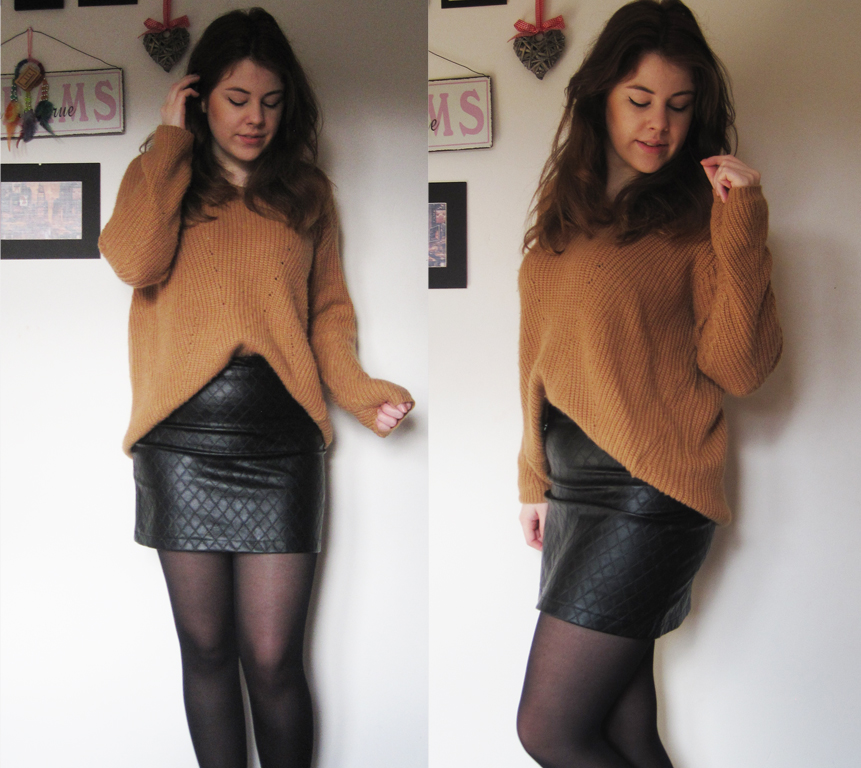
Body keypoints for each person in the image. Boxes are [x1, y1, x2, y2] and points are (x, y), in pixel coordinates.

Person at [99, 9, 412, 768]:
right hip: (180, 443)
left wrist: (361, 391)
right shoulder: (161, 177)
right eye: (237, 99)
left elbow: (327, 314)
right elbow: (134, 262)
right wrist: (169, 141)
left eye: (271, 102)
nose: (255, 119)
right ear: (199, 96)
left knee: (273, 660)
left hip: (282, 444)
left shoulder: (306, 192)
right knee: (206, 652)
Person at [514, 1, 781, 766]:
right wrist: (533, 478)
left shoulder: (701, 220)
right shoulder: (563, 216)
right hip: (575, 489)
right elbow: (537, 356)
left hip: (647, 492)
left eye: (678, 104)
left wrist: (742, 227)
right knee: (624, 731)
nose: (658, 124)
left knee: (549, 731)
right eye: (639, 100)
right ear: (599, 95)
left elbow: (741, 368)